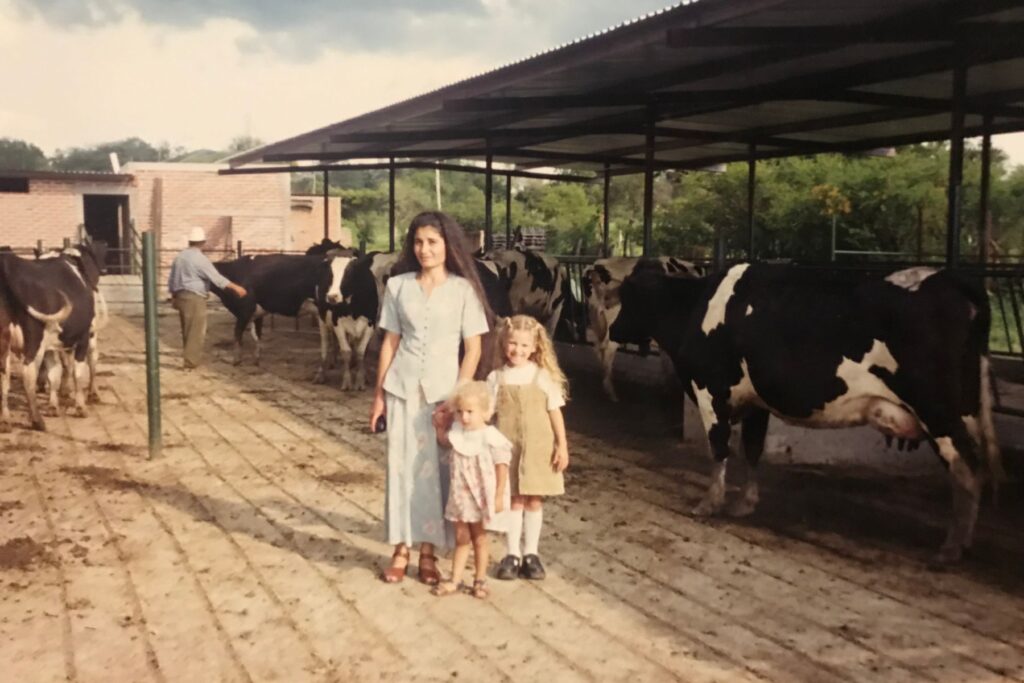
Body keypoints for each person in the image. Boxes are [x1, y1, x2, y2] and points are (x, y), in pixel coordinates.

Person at [371, 211, 492, 585]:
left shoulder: (463, 290)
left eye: (432, 242)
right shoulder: (397, 287)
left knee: (438, 475)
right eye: (419, 242)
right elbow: (389, 344)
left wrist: (458, 397)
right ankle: (400, 549)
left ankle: (427, 552)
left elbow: (472, 348)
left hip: (444, 396)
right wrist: (378, 397)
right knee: (401, 471)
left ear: (448, 246)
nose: (424, 250)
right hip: (401, 390)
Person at [487, 314, 570, 581]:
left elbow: (555, 411)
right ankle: (512, 554)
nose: (517, 350)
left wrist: (562, 445)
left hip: (538, 447)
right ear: (503, 343)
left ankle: (531, 554)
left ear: (535, 347)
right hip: (508, 448)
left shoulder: (542, 377)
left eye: (524, 346)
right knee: (514, 499)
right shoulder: (496, 378)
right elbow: (487, 413)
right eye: (512, 344)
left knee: (534, 499)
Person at [431, 381, 510, 598]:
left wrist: (498, 495)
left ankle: (480, 579)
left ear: (485, 413)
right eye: (460, 412)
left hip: (479, 496)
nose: (464, 417)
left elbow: (502, 464)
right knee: (461, 538)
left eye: (470, 412)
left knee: (480, 538)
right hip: (459, 495)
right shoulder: (457, 431)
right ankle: (455, 579)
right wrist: (439, 428)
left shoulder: (489, 436)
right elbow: (446, 442)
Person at [166, 227, 246, 369]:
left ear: (190, 241)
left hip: (181, 296)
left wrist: (173, 295)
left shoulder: (180, 257)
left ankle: (189, 357)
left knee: (187, 329)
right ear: (202, 242)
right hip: (194, 297)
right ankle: (191, 363)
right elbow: (216, 278)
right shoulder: (200, 259)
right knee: (196, 331)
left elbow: (172, 279)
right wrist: (236, 287)